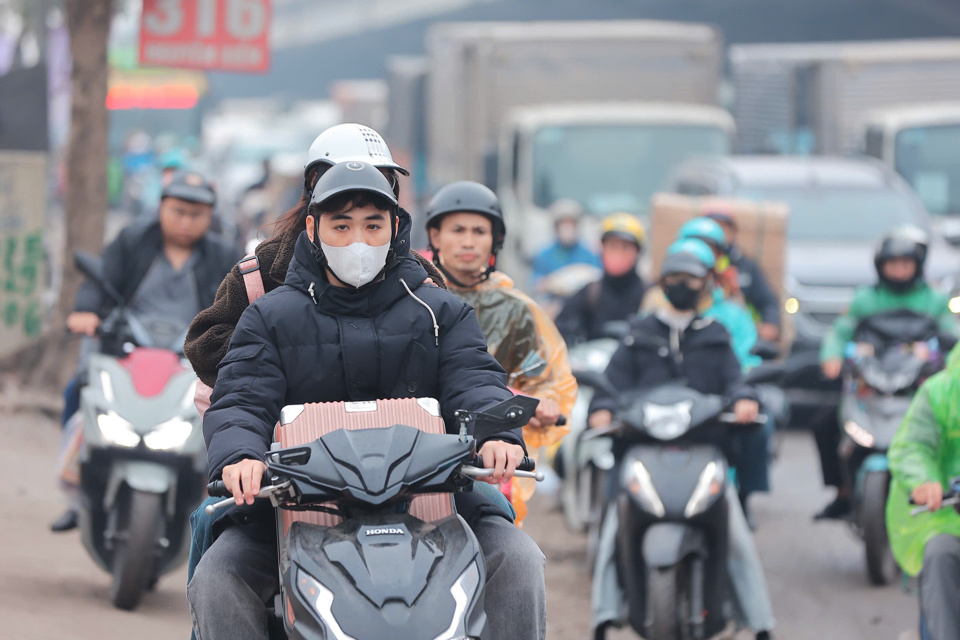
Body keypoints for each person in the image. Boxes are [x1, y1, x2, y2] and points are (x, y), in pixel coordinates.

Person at [188, 162, 547, 640]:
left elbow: (475, 378)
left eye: (373, 224)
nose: (359, 240)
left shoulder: (441, 310)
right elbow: (241, 400)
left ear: (396, 227)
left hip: (434, 497)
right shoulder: (269, 318)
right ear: (313, 229)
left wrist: (497, 433)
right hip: (289, 504)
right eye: (342, 225)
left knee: (519, 559)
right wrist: (240, 455)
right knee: (218, 576)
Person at [587, 244, 775, 640]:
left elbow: (736, 381)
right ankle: (604, 614)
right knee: (612, 524)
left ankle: (759, 622)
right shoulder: (640, 332)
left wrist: (744, 400)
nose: (683, 286)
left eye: (691, 280)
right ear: (662, 284)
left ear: (706, 285)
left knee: (734, 526)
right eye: (675, 279)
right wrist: (602, 408)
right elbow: (611, 383)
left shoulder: (716, 335)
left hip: (704, 449)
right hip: (641, 448)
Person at [184, 123, 442, 391]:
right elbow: (206, 347)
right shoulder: (262, 271)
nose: (363, 190)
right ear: (314, 186)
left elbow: (461, 369)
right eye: (345, 179)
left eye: (380, 179)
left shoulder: (419, 278)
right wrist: (283, 351)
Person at [51, 170, 238, 532]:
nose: (186, 221)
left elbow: (239, 302)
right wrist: (87, 311)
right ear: (161, 207)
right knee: (79, 390)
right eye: (178, 211)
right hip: (127, 349)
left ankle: (214, 498)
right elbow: (99, 280)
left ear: (209, 217)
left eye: (196, 214)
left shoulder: (223, 256)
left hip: (192, 359)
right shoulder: (133, 240)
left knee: (224, 412)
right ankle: (77, 490)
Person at [425, 181, 578, 524]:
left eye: (479, 231)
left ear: (495, 239)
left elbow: (545, 374)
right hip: (422, 451)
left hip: (493, 457)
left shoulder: (519, 312)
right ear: (435, 237)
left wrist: (542, 402)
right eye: (457, 229)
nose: (468, 241)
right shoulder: (413, 298)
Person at [815, 226, 958, 520]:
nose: (899, 270)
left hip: (916, 388)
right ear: (880, 266)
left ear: (918, 266)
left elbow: (951, 337)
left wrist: (945, 361)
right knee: (823, 423)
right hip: (871, 385)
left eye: (906, 264)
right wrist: (831, 357)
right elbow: (840, 332)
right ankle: (842, 492)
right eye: (893, 264)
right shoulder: (865, 299)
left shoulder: (934, 300)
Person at [887, 343, 960, 640]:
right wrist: (924, 480)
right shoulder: (940, 391)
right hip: (946, 516)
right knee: (941, 554)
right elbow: (912, 445)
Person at [554, 213, 647, 345]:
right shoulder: (589, 293)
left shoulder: (649, 295)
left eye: (625, 247)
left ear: (637, 252)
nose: (618, 253)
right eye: (612, 246)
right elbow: (559, 333)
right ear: (602, 248)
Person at [706, 211, 782, 342]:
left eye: (724, 227)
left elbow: (767, 300)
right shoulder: (691, 265)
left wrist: (769, 323)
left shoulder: (745, 265)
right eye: (714, 226)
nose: (719, 232)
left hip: (740, 334)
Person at [530, 198, 601, 287]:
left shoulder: (589, 253)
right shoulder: (544, 255)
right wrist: (549, 284)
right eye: (563, 223)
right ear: (556, 227)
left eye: (570, 223)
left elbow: (599, 279)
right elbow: (535, 283)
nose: (567, 228)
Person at [676, 216, 741, 300]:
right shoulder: (665, 287)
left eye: (709, 248)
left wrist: (732, 293)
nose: (701, 253)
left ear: (719, 254)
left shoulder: (724, 283)